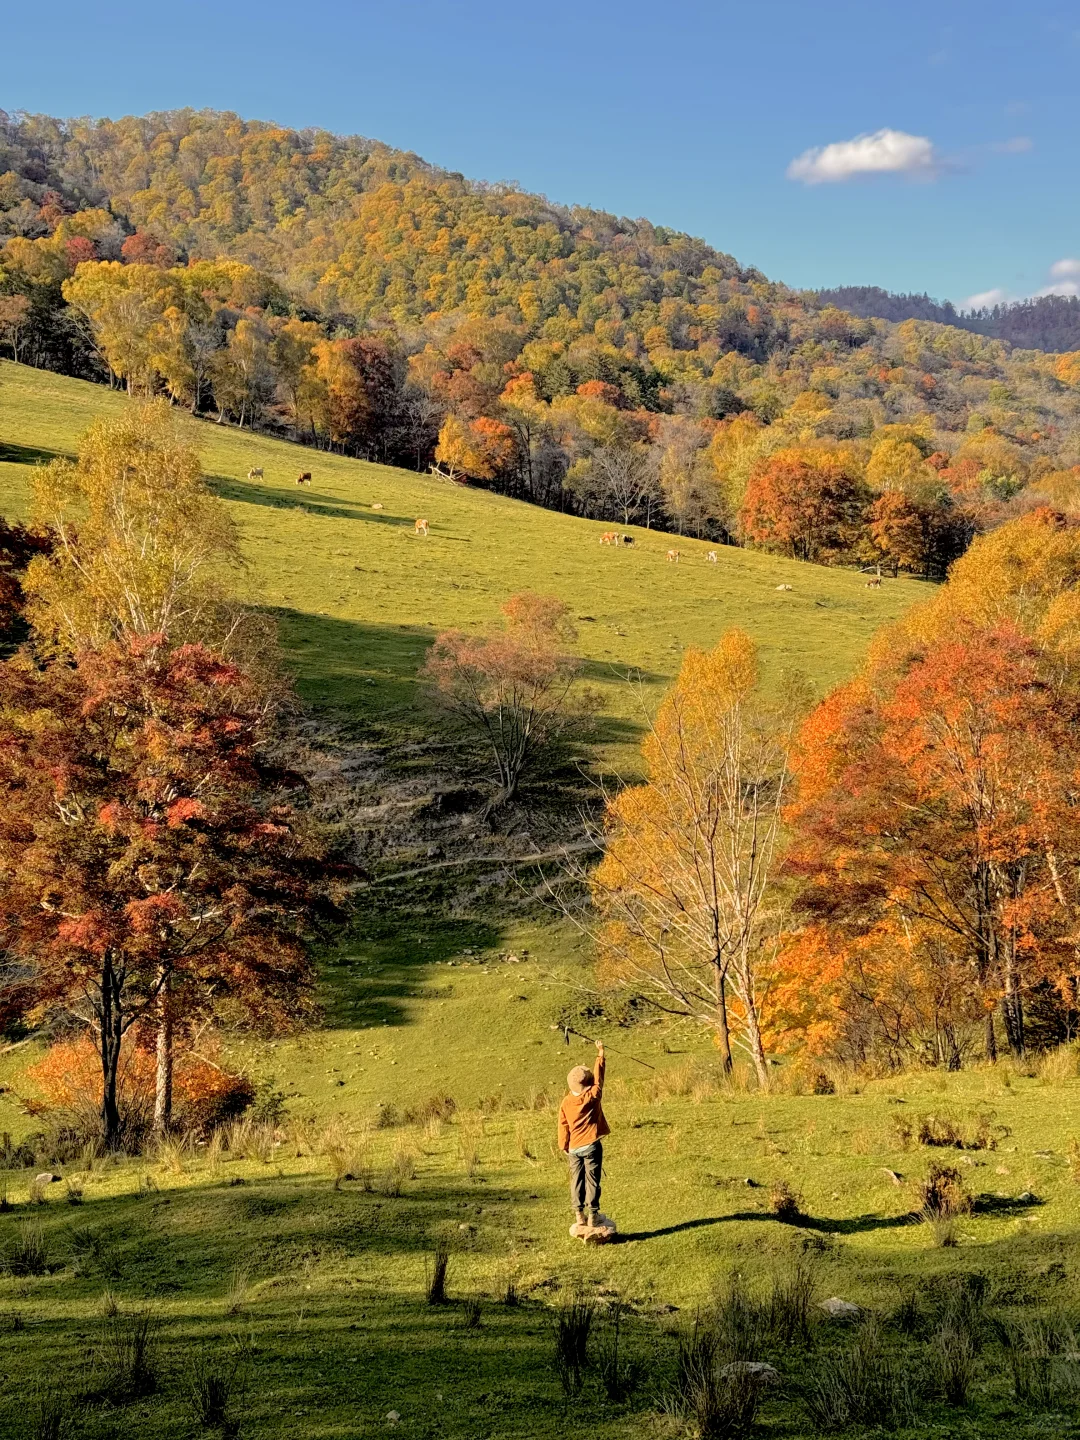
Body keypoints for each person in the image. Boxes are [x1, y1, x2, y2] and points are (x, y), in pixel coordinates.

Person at [557, 1040, 610, 1229]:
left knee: (576, 1181)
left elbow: (563, 1125)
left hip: (573, 1149)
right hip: (591, 1145)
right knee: (592, 1180)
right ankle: (593, 1215)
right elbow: (599, 1079)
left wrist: (564, 1145)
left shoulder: (566, 1102)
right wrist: (600, 1054)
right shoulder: (592, 1096)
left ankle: (579, 1215)